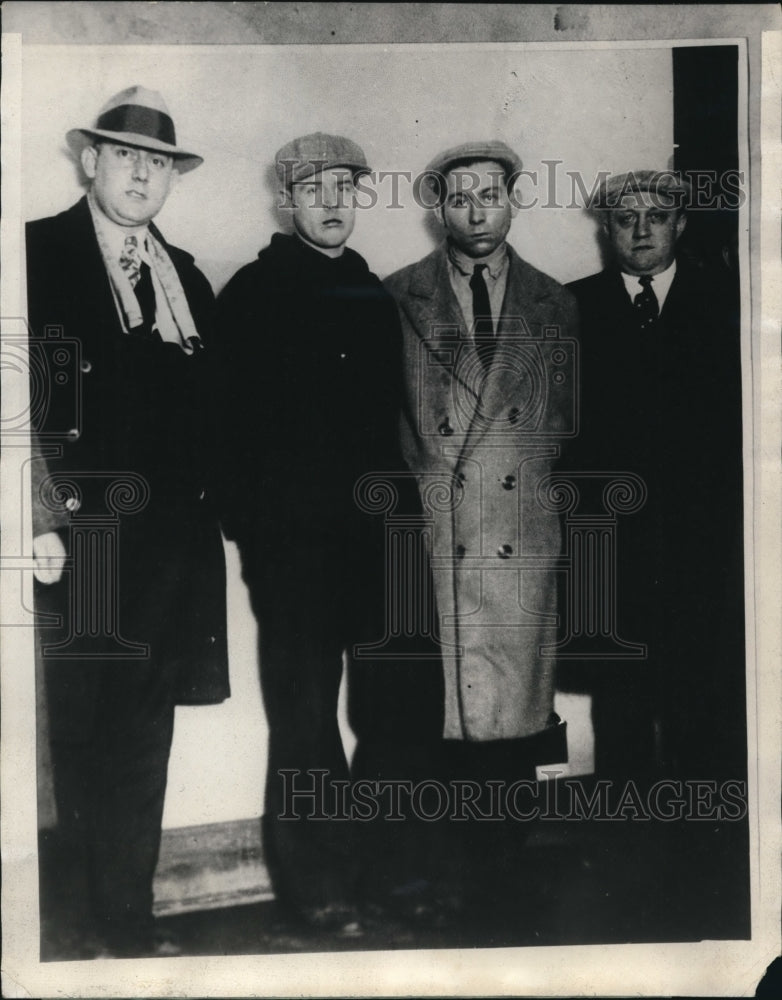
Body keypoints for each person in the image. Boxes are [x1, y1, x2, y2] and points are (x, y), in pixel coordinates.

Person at [214, 133, 441, 934]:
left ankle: (389, 873)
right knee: (305, 720)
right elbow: (225, 431)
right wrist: (261, 540)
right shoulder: (249, 293)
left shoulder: (373, 293)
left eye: (347, 186)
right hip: (296, 556)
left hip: (379, 546)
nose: (334, 201)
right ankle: (318, 886)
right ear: (286, 199)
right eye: (316, 187)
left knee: (391, 714)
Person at [27, 86, 229, 958]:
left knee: (145, 733)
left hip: (167, 553)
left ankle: (128, 922)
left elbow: (214, 416)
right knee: (79, 731)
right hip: (77, 542)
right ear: (89, 162)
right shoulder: (35, 253)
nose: (142, 174)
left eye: (158, 163)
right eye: (125, 156)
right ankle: (75, 929)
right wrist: (37, 517)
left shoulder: (186, 276)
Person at [384, 141, 577, 909]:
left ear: (513, 199)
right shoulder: (399, 296)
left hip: (521, 532)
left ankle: (508, 869)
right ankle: (460, 874)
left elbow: (566, 424)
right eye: (459, 196)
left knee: (515, 715)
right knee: (445, 717)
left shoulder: (557, 303)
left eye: (489, 194)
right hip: (441, 535)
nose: (476, 210)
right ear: (439, 207)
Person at [565, 170, 746, 784]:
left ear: (682, 224)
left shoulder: (731, 303)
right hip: (611, 552)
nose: (641, 230)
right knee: (621, 709)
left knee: (701, 705)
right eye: (624, 218)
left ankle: (698, 857)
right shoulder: (572, 308)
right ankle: (625, 854)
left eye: (658, 217)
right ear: (606, 227)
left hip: (704, 549)